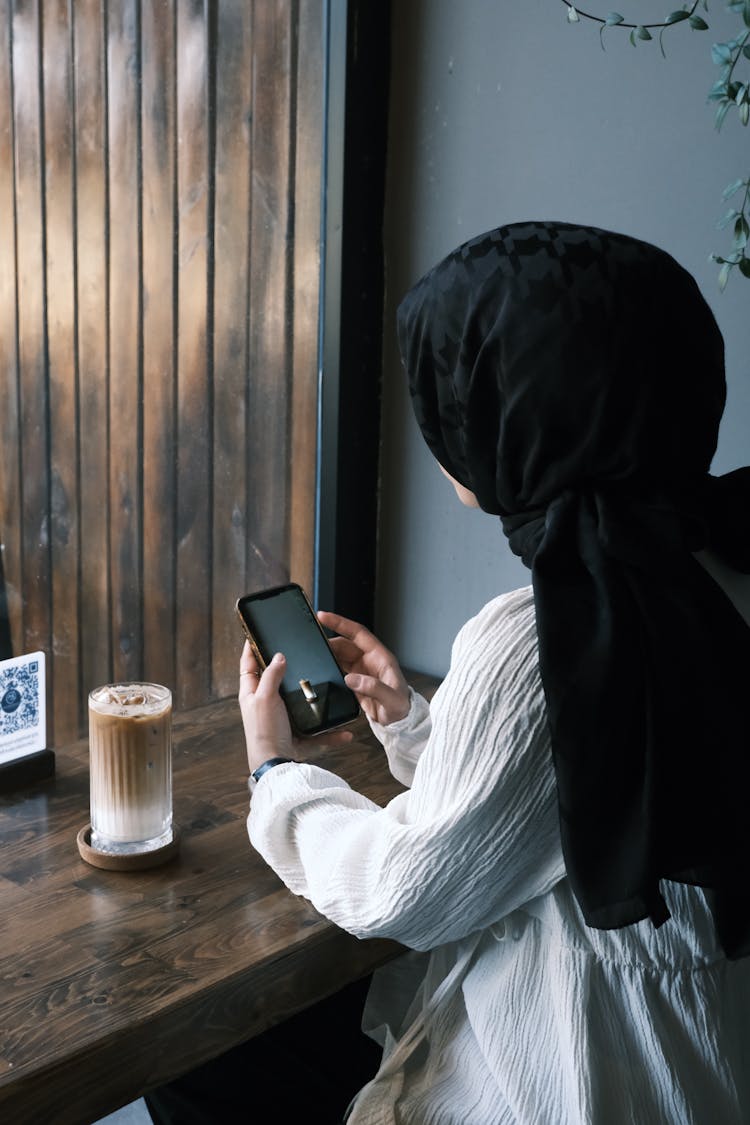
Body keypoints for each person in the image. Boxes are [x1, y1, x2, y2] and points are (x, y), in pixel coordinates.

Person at [154, 221, 750, 1124]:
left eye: (454, 392)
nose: (439, 424)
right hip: (712, 1055)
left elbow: (406, 892)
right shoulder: (718, 567)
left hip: (582, 1076)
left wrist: (276, 773)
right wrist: (414, 723)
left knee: (195, 1061)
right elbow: (572, 796)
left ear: (520, 418)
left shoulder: (545, 633)